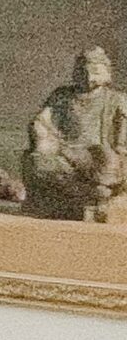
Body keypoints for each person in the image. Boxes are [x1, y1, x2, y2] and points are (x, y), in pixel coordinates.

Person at [24, 46, 127, 221]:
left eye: (95, 71)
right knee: (37, 162)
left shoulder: (115, 99)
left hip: (97, 155)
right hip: (64, 153)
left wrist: (119, 150)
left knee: (110, 165)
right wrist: (42, 134)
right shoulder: (62, 95)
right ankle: (89, 195)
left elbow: (122, 134)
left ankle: (99, 197)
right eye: (83, 70)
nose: (88, 76)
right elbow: (42, 120)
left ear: (106, 72)